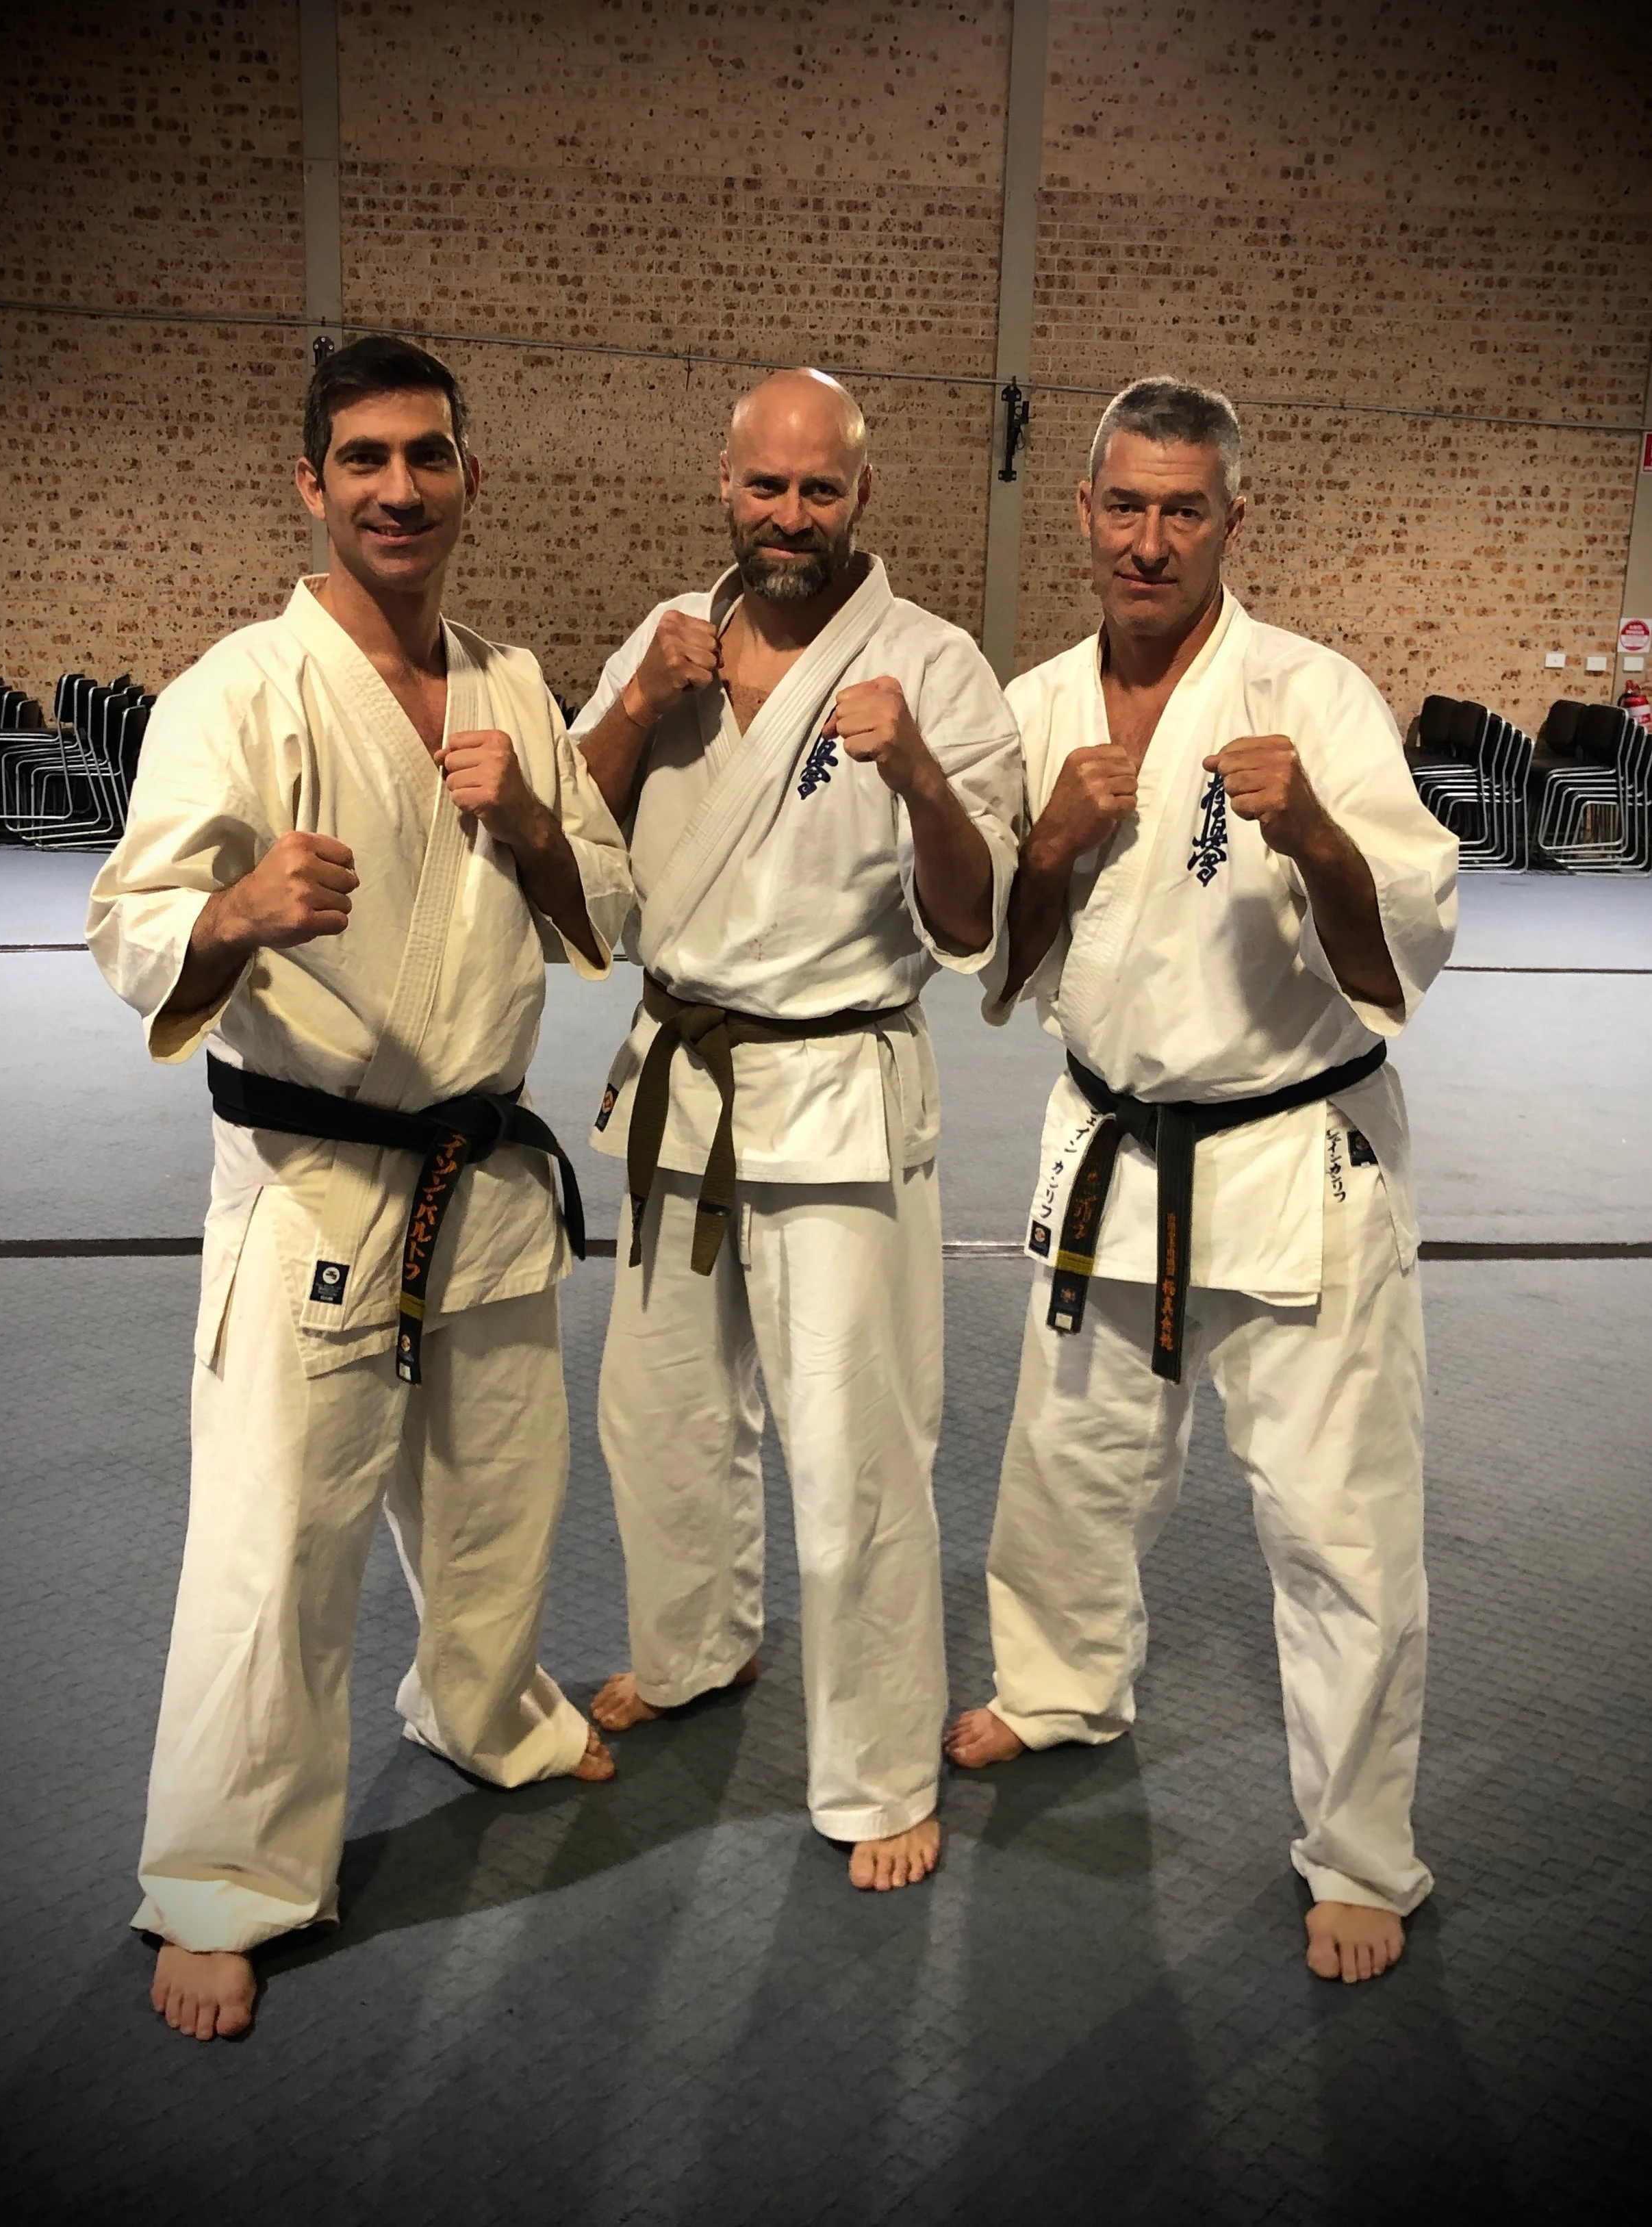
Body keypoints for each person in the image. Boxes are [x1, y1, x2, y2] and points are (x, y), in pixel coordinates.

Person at [88, 334, 633, 2039]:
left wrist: (538, 824)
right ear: (310, 483)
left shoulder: (515, 683)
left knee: (494, 1493)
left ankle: (484, 1711)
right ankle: (221, 1878)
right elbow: (126, 918)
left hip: (479, 1166)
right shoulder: (236, 690)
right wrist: (234, 915)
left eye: (429, 457)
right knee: (274, 1542)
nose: (399, 489)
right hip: (317, 1178)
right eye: (365, 461)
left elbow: (601, 906)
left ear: (470, 476)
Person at [944, 377, 1457, 1983]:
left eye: (1183, 509)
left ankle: (1361, 1853)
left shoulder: (1315, 696)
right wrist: (1043, 852)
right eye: (1123, 505)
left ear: (1233, 520)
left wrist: (1310, 832)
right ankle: (1058, 1688)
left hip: (1292, 1163)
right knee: (1068, 1471)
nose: (1148, 539)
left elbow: (1403, 960)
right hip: (1108, 1149)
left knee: (1337, 1530)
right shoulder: (1030, 708)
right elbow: (992, 961)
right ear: (1082, 511)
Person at [572, 368, 1021, 1891]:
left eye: (816, 489)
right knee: (657, 1417)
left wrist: (915, 773)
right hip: (681, 1080)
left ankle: (881, 1766)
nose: (787, 517)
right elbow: (563, 852)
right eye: (764, 488)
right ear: (723, 485)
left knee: (853, 1448)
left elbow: (974, 924)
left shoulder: (934, 665)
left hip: (836, 1093)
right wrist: (638, 704)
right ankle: (695, 1647)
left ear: (860, 497)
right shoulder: (663, 643)